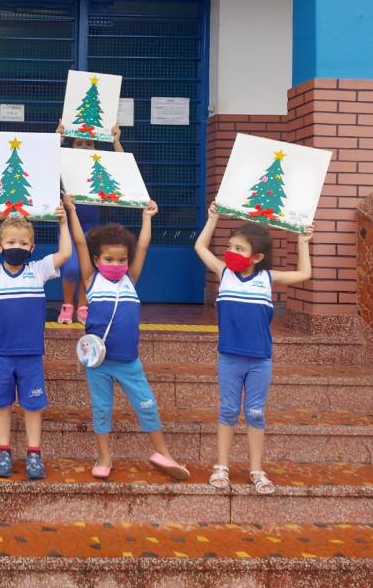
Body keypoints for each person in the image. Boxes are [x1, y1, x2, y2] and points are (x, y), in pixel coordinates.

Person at [63, 195, 190, 480]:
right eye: (109, 259)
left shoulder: (129, 280)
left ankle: (163, 454)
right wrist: (71, 211)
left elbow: (143, 245)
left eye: (121, 259)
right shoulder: (90, 279)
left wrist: (147, 218)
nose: (116, 264)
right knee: (102, 409)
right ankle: (104, 457)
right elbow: (80, 242)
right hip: (97, 362)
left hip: (129, 362)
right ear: (97, 260)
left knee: (147, 404)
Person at [194, 202, 314, 495]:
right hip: (229, 358)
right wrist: (212, 220)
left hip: (260, 360)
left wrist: (302, 241)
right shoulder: (224, 273)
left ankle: (257, 470)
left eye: (240, 249)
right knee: (229, 410)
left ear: (257, 256)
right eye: (231, 247)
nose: (232, 253)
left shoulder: (267, 279)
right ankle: (221, 466)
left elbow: (304, 274)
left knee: (256, 413)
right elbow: (200, 248)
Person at [0, 204, 71, 480]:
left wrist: (63, 223)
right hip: (1, 355)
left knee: (33, 407)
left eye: (23, 242)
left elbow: (65, 253)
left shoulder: (38, 270)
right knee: (2, 405)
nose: (16, 246)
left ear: (31, 248)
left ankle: (33, 454)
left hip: (31, 356)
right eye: (11, 242)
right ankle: (3, 451)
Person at [55, 122, 125, 324]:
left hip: (91, 226)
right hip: (67, 224)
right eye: (79, 143)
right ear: (72, 146)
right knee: (70, 268)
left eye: (89, 144)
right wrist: (58, 138)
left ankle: (83, 306)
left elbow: (121, 166)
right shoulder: (64, 164)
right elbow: (48, 161)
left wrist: (115, 140)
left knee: (88, 267)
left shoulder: (99, 166)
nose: (84, 147)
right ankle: (68, 305)